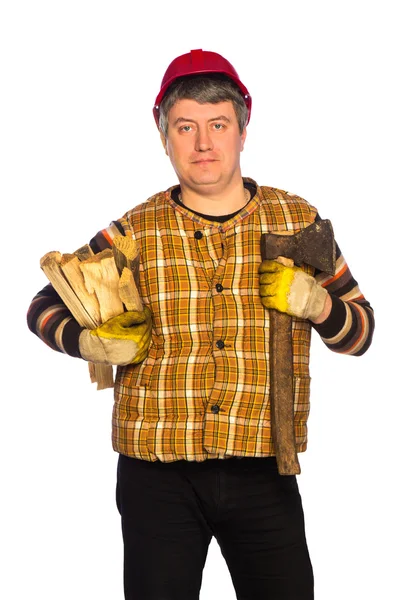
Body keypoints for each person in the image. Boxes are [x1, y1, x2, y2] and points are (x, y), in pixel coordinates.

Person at [27, 48, 375, 600]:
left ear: (243, 128)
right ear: (163, 134)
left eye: (218, 125)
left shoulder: (298, 221)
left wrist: (320, 306)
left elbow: (361, 332)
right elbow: (44, 305)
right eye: (185, 127)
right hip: (154, 473)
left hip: (265, 469)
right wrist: (88, 341)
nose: (203, 143)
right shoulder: (135, 230)